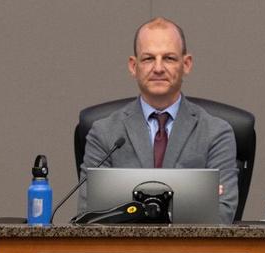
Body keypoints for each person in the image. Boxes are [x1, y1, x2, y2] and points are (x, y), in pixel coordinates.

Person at [80, 17, 239, 224]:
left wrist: (135, 214)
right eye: (148, 59)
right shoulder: (104, 133)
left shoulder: (216, 133)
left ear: (186, 64)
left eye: (169, 58)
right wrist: (196, 203)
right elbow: (90, 215)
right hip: (123, 246)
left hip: (193, 246)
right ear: (133, 66)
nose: (158, 68)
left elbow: (222, 214)